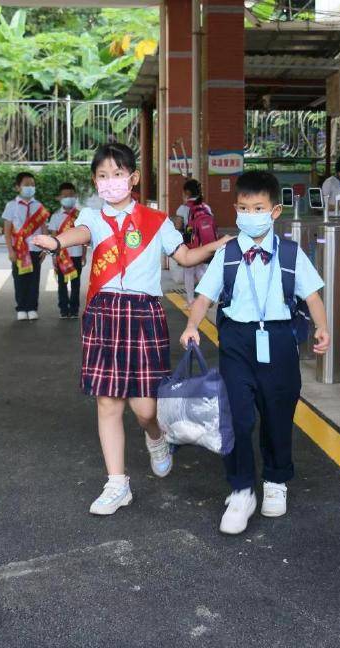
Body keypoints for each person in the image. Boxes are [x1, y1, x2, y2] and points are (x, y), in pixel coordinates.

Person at [33, 143, 231, 517]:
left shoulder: (155, 221)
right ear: (95, 180)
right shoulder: (91, 217)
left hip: (143, 315)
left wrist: (216, 245)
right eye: (103, 176)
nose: (111, 182)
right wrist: (57, 241)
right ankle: (117, 483)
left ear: (133, 178)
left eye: (118, 174)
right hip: (104, 312)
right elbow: (77, 235)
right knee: (107, 402)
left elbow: (185, 256)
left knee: (145, 408)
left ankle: (155, 436)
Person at [180, 170, 330, 535]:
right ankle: (242, 488)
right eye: (244, 208)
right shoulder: (227, 253)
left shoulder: (291, 253)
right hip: (236, 343)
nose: (250, 214)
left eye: (258, 207)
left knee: (278, 413)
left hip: (279, 341)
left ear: (274, 211)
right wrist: (191, 326)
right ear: (236, 209)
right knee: (238, 417)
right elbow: (204, 296)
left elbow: (311, 295)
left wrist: (322, 327)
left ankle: (276, 480)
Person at [2, 172, 50, 321]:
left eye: (32, 185)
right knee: (19, 279)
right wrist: (10, 250)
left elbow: (44, 229)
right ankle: (21, 308)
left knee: (34, 280)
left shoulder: (39, 206)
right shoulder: (11, 206)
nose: (30, 187)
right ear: (18, 187)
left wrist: (45, 248)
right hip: (18, 250)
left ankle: (32, 307)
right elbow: (7, 230)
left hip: (35, 249)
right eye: (26, 184)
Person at [174, 179, 217, 308]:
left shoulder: (183, 208)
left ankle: (191, 301)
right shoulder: (206, 207)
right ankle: (208, 297)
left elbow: (178, 226)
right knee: (202, 270)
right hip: (205, 244)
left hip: (190, 246)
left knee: (189, 272)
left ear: (186, 192)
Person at [48, 182, 86, 319]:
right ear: (59, 198)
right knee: (62, 284)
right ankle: (64, 309)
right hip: (62, 256)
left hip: (76, 254)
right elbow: (53, 237)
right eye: (65, 196)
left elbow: (83, 236)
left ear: (75, 196)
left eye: (71, 195)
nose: (68, 197)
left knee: (76, 284)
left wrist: (84, 255)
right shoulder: (56, 216)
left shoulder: (80, 215)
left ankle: (74, 309)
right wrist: (53, 256)